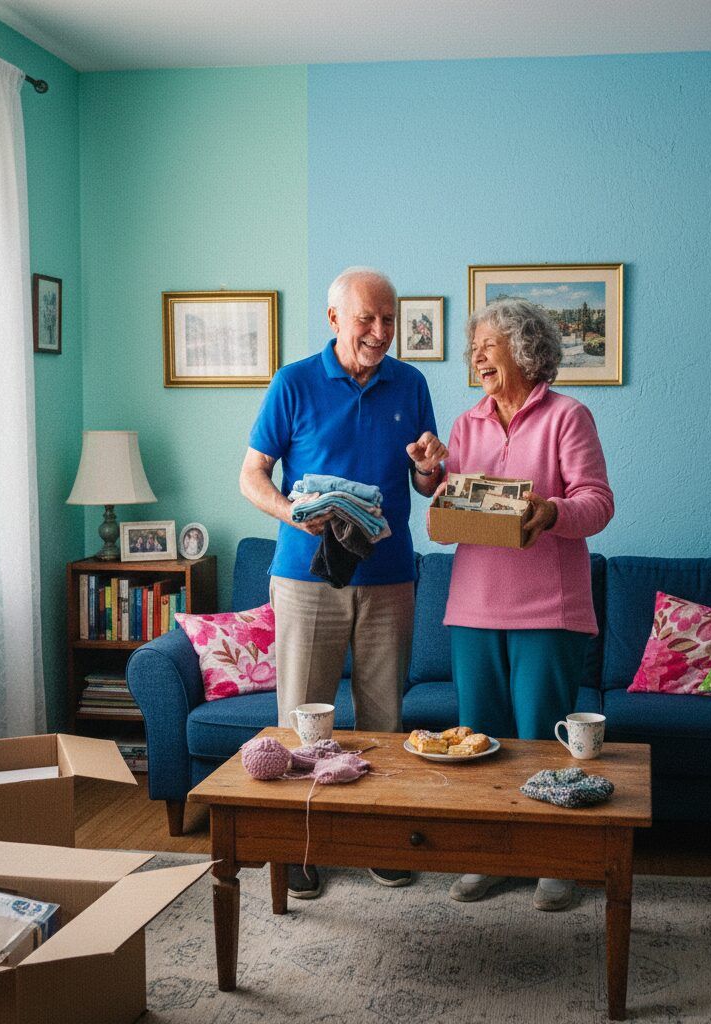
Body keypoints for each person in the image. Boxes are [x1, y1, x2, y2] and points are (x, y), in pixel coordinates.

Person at [240, 267, 446, 900]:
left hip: (389, 577)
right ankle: (300, 851)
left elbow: (425, 484)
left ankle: (380, 844)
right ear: (334, 320)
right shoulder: (293, 382)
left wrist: (431, 470)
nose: (381, 332)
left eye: (389, 320)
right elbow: (252, 476)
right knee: (306, 721)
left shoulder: (411, 384)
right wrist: (291, 514)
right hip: (306, 578)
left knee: (384, 719)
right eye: (367, 319)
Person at [438, 298, 614, 912]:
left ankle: (552, 861)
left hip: (549, 608)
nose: (478, 354)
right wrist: (428, 475)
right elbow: (450, 504)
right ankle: (487, 857)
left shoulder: (569, 416)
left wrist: (553, 511)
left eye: (491, 342)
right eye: (475, 345)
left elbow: (598, 502)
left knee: (543, 742)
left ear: (526, 348)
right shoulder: (465, 424)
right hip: (473, 606)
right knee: (477, 744)